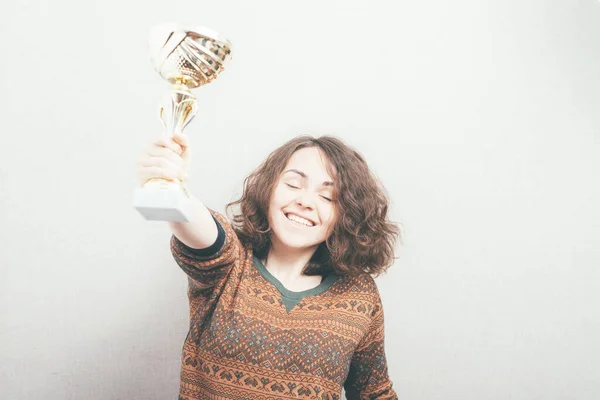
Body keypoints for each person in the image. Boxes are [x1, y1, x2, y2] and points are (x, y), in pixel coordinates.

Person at [136, 132, 402, 400]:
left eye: (328, 197)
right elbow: (196, 226)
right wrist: (170, 185)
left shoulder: (359, 295)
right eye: (294, 184)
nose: (306, 202)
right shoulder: (231, 264)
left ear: (345, 215)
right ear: (269, 188)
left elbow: (374, 392)